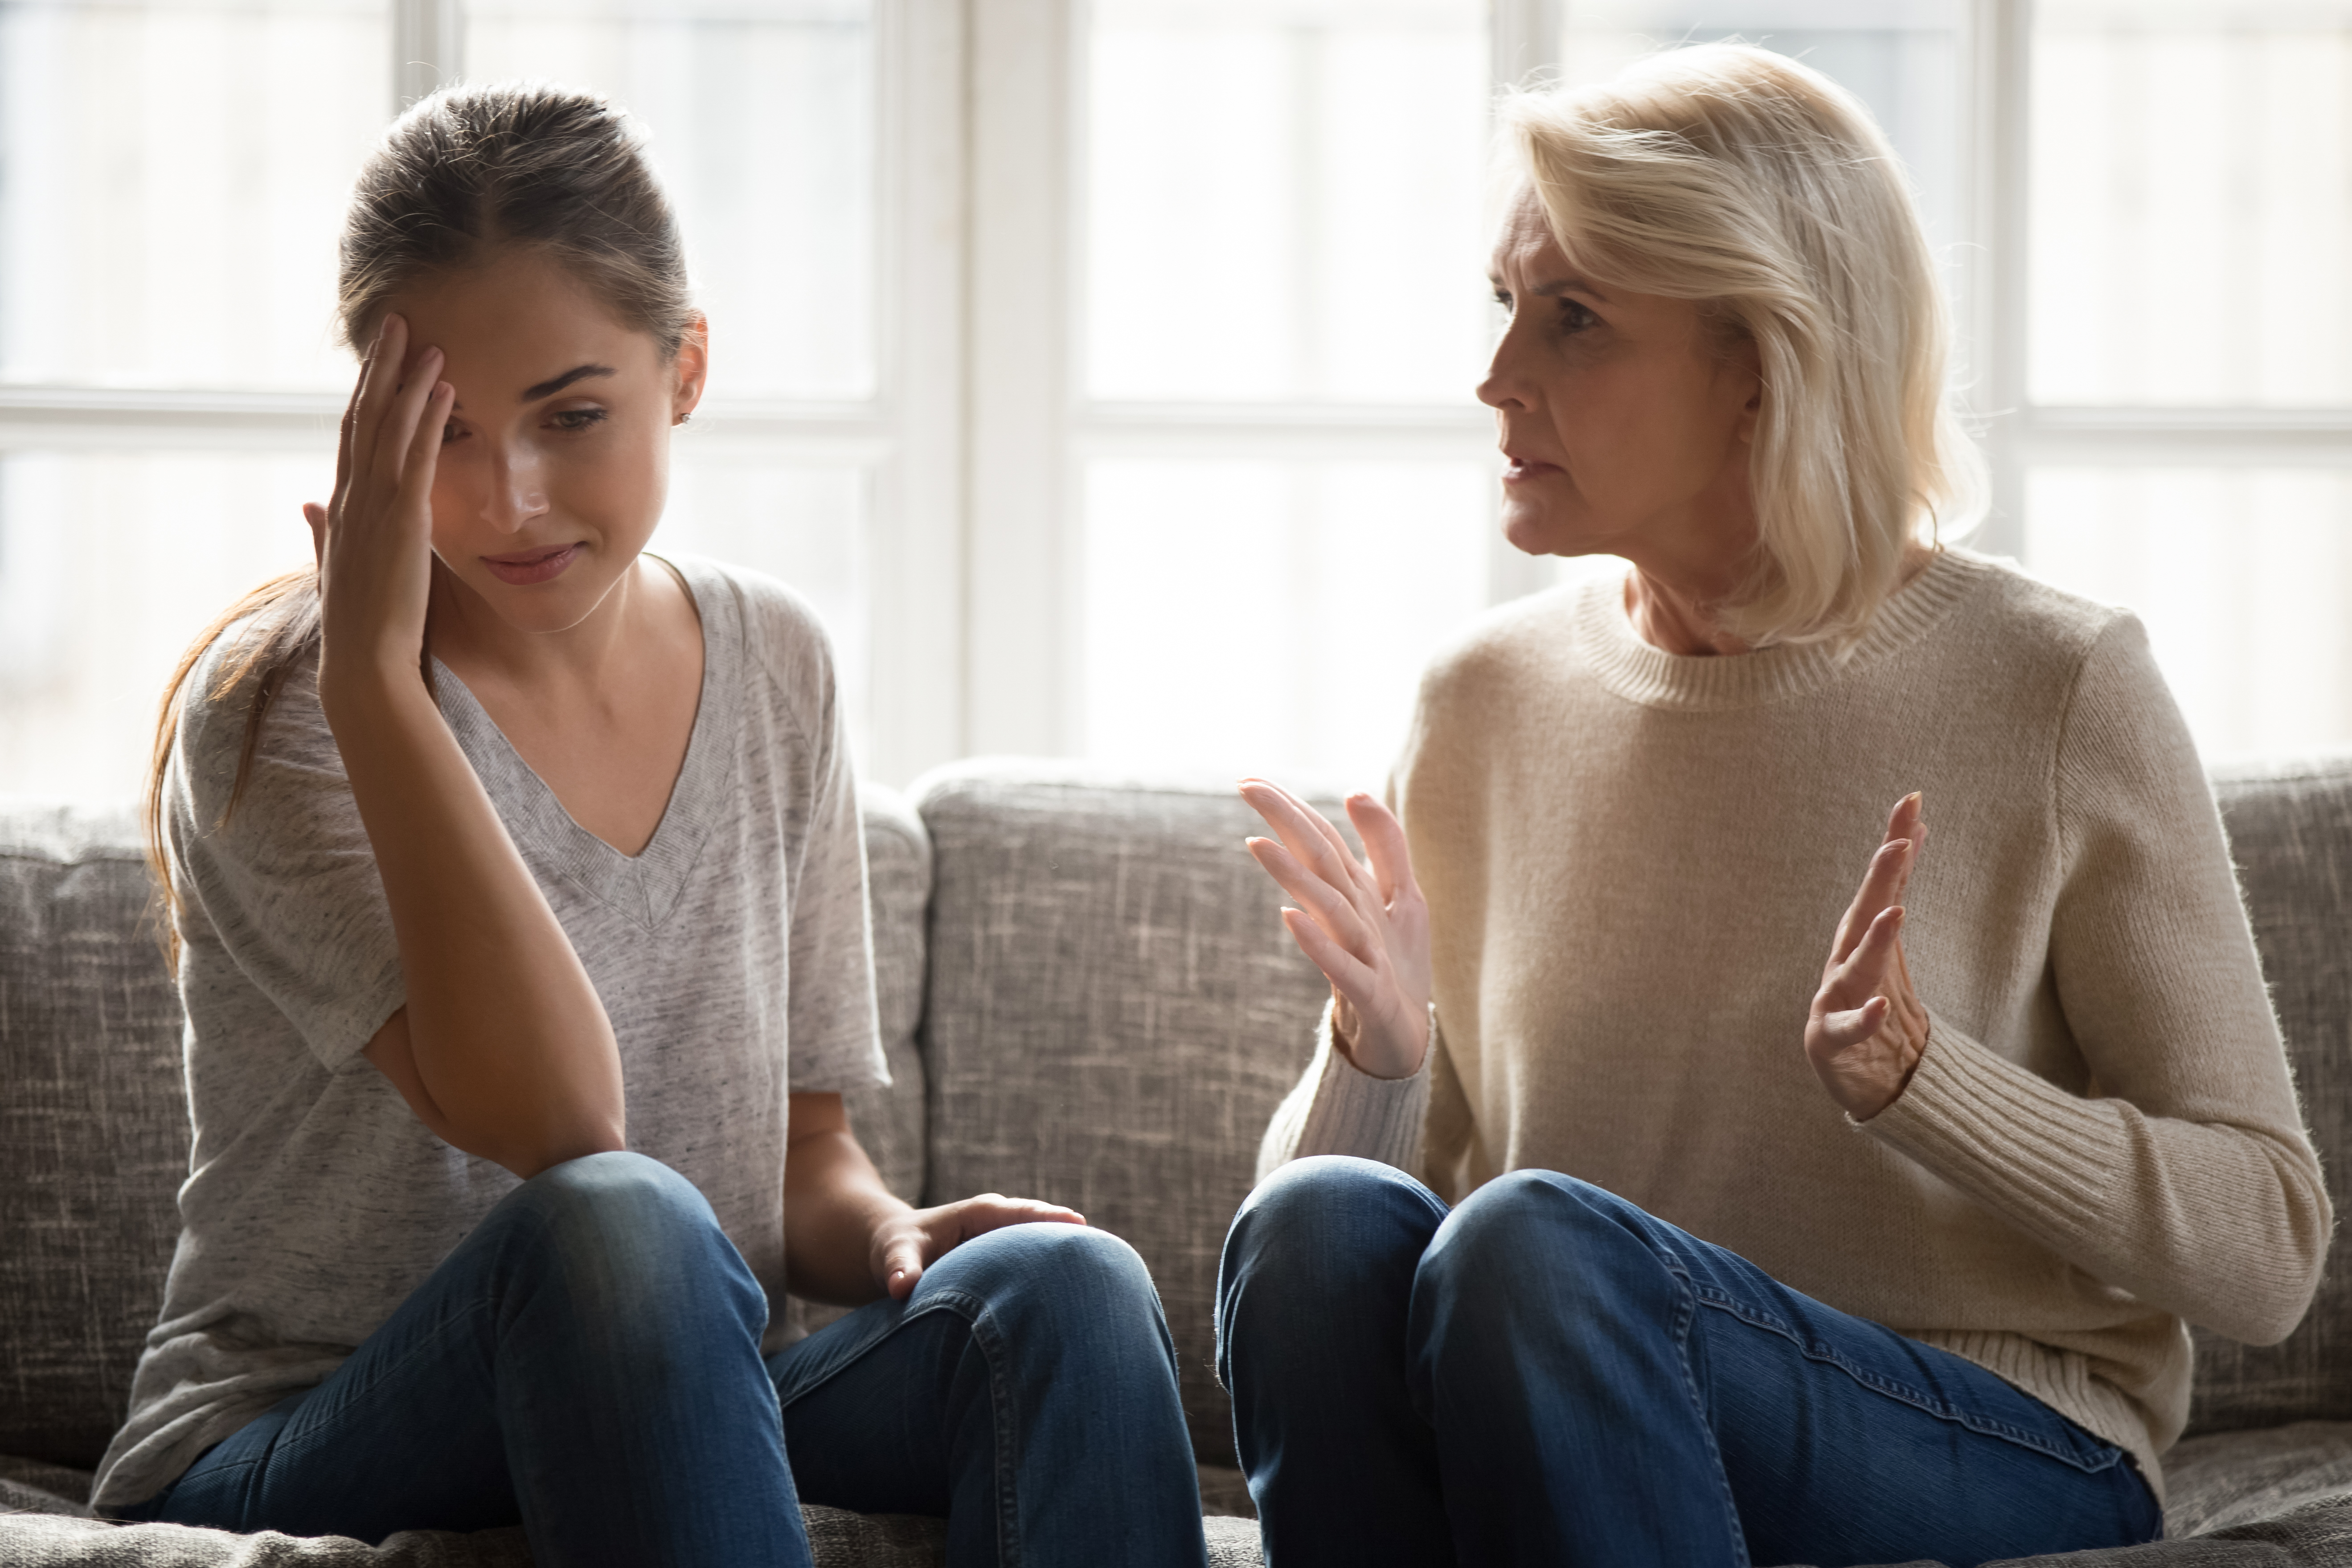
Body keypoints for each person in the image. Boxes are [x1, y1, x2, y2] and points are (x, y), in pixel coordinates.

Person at [1217, 43, 2330, 1568]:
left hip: (1995, 1430)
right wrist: (1381, 1064)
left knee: (1533, 1246)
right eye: (1505, 305)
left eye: (1576, 319)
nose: (1496, 378)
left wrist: (1933, 1083)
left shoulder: (2058, 687)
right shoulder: (1480, 702)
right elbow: (1306, 1302)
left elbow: (2267, 1246)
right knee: (1315, 1229)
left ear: (1765, 359)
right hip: (1563, 1383)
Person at [93, 84, 1208, 1568]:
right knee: (618, 1221)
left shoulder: (777, 664)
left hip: (672, 1393)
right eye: (450, 438)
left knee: (1066, 1291)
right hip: (300, 1436)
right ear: (370, 425)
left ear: (683, 368)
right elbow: (564, 1132)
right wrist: (379, 684)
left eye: (572, 415)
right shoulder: (284, 711)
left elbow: (805, 1144)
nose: (512, 499)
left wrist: (882, 1228)